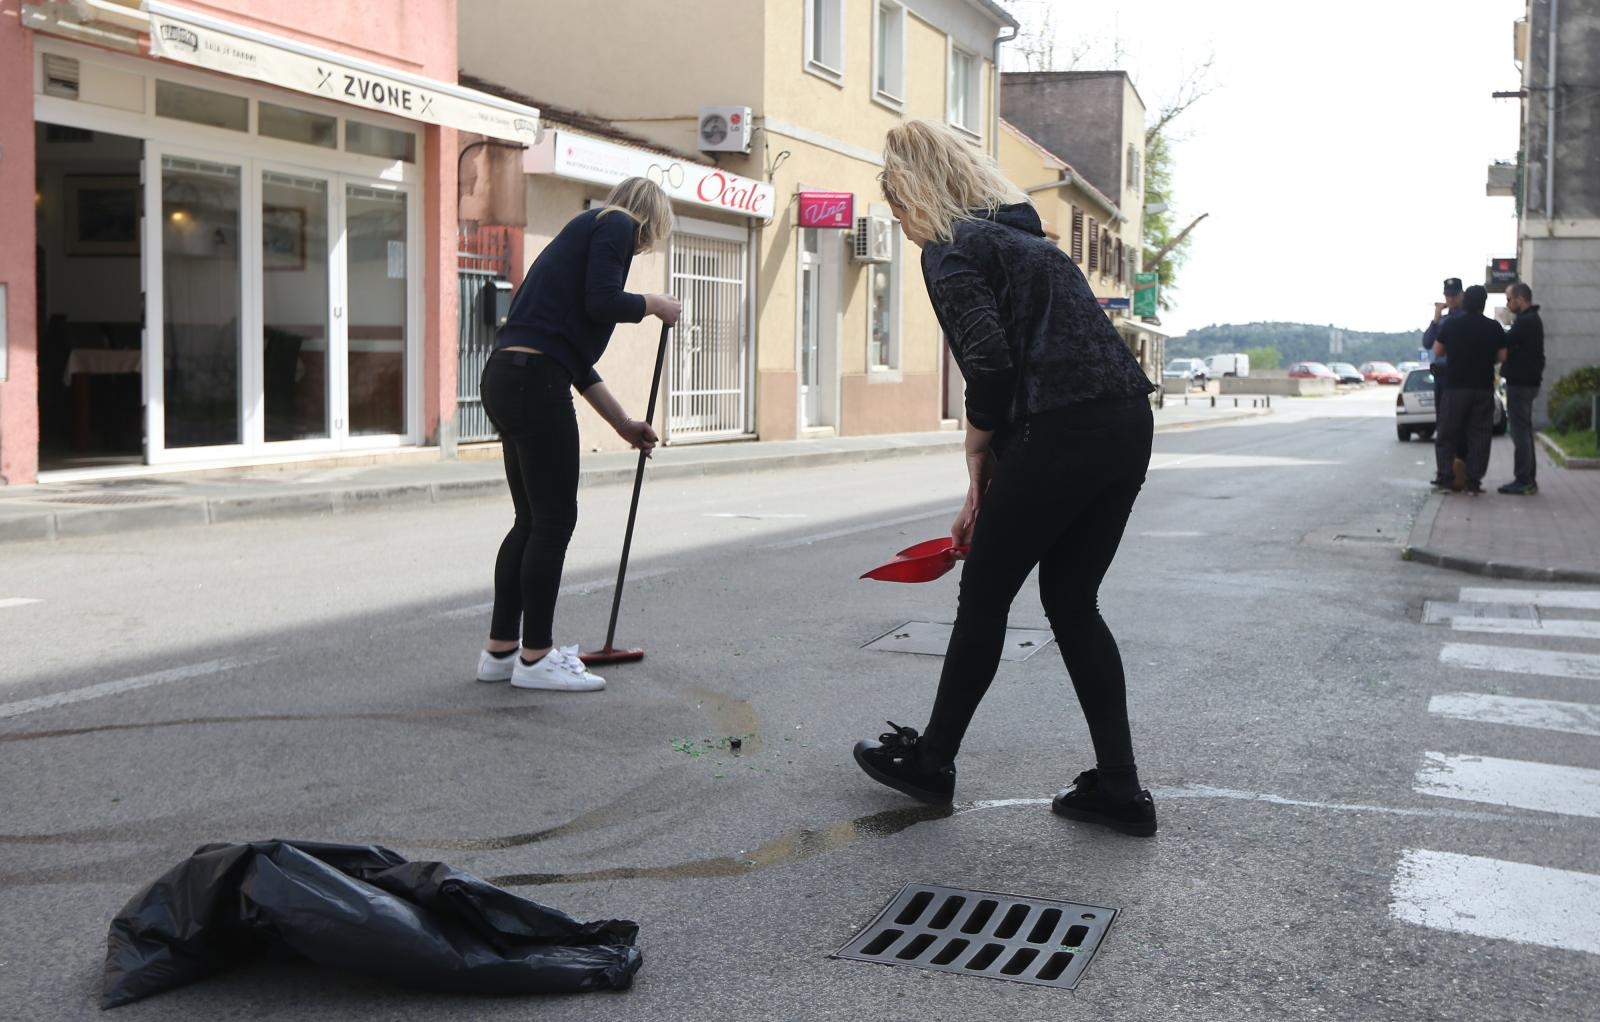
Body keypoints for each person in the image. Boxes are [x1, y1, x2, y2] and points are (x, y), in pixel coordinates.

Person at [851, 120, 1160, 837]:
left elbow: (989, 364)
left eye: (895, 208)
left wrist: (975, 448)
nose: (898, 223)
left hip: (1058, 427)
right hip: (1125, 424)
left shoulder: (950, 248)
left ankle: (932, 763)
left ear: (911, 195)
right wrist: (987, 477)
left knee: (985, 597)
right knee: (1073, 601)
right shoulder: (1030, 245)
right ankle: (1119, 786)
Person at [475, 178, 682, 692]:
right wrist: (655, 303)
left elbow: (574, 362)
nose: (643, 244)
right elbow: (602, 302)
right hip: (534, 381)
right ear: (651, 220)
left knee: (530, 521)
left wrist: (624, 424)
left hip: (508, 374)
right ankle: (537, 658)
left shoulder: (582, 235)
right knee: (554, 521)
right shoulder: (615, 223)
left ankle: (501, 653)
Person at [1432, 285, 1507, 495]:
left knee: (1447, 433)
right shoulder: (1494, 327)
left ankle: (1446, 479)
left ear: (1465, 301)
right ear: (1484, 303)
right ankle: (1473, 483)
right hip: (1483, 387)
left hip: (1455, 386)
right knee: (1480, 435)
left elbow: (1437, 351)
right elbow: (1502, 357)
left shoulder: (1452, 325)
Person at [1499, 283, 1544, 495]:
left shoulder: (1526, 322)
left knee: (1520, 433)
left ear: (1521, 299)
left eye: (1509, 299)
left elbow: (1505, 340)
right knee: (1524, 431)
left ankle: (1524, 479)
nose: (1507, 304)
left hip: (1521, 384)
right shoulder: (1531, 320)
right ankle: (1528, 479)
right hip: (1528, 382)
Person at [1423, 278, 1466, 485]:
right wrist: (1436, 318)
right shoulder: (1443, 320)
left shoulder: (1464, 318)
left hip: (1455, 378)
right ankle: (1445, 472)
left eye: (1453, 295)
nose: (1450, 299)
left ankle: (1456, 472)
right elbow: (1427, 342)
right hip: (1440, 377)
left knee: (1454, 427)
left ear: (1461, 295)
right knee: (1443, 426)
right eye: (1447, 295)